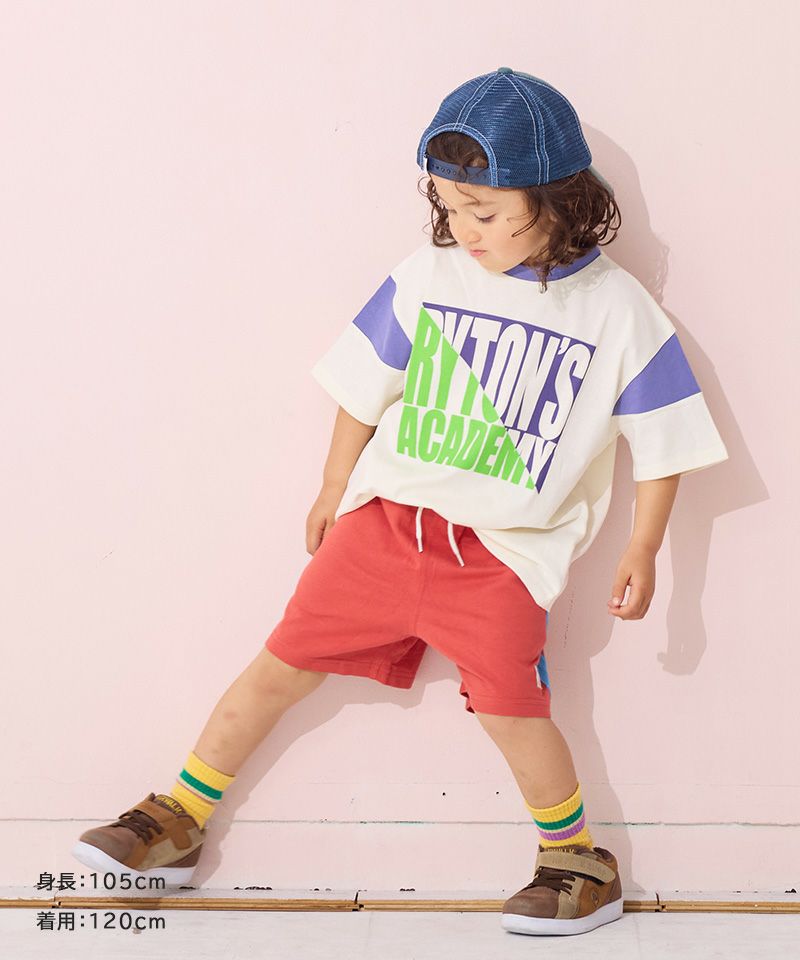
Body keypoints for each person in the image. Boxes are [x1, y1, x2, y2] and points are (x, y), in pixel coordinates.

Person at [72, 67, 729, 938]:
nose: (464, 230)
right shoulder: (430, 273)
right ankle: (180, 817)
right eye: (450, 208)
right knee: (277, 665)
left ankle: (577, 861)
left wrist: (643, 547)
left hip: (502, 558)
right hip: (382, 530)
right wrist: (333, 484)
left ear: (558, 198)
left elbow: (665, 440)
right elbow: (364, 385)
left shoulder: (619, 311)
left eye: (483, 212)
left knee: (514, 710)